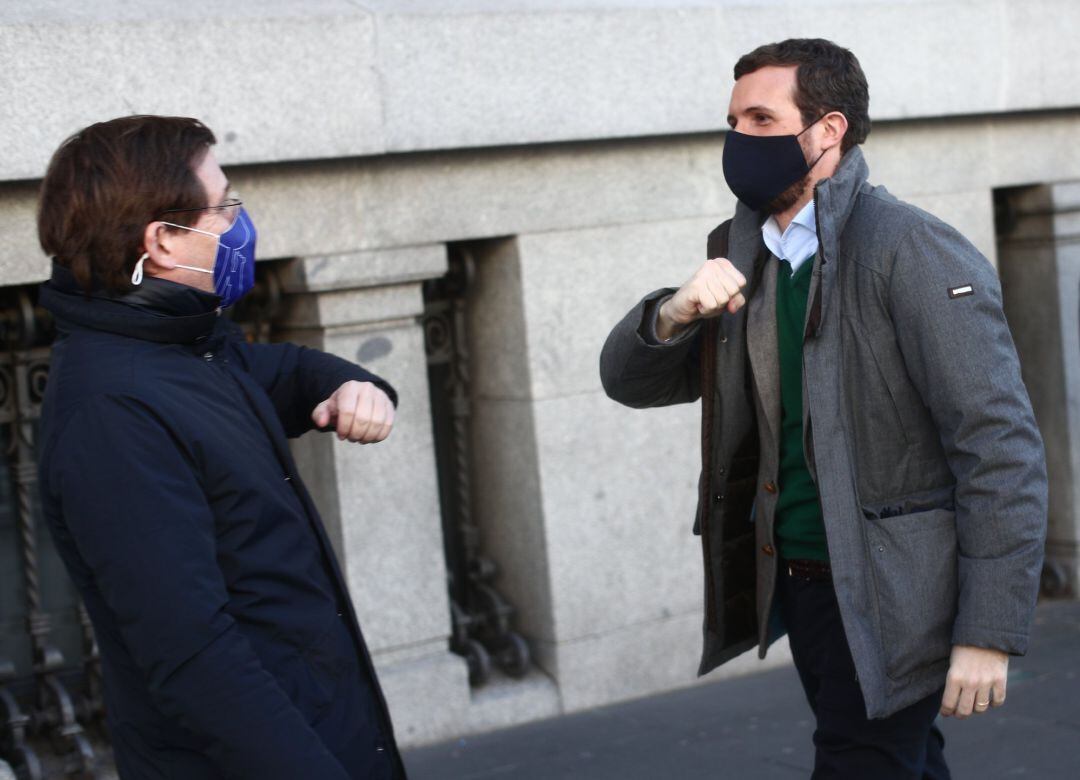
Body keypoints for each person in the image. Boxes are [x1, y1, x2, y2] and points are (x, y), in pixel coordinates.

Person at [600, 39, 1047, 778]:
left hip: (897, 590)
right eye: (733, 120)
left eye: (761, 119)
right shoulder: (743, 255)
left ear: (828, 130)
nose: (739, 139)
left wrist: (988, 631)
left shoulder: (910, 250)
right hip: (802, 580)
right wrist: (674, 313)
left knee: (860, 760)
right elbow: (631, 382)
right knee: (894, 759)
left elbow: (999, 446)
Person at [35, 115, 406, 779]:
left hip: (322, 723)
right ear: (165, 240)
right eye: (225, 205)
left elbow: (282, 375)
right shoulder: (112, 415)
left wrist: (355, 384)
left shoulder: (187, 345)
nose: (239, 223)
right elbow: (193, 656)